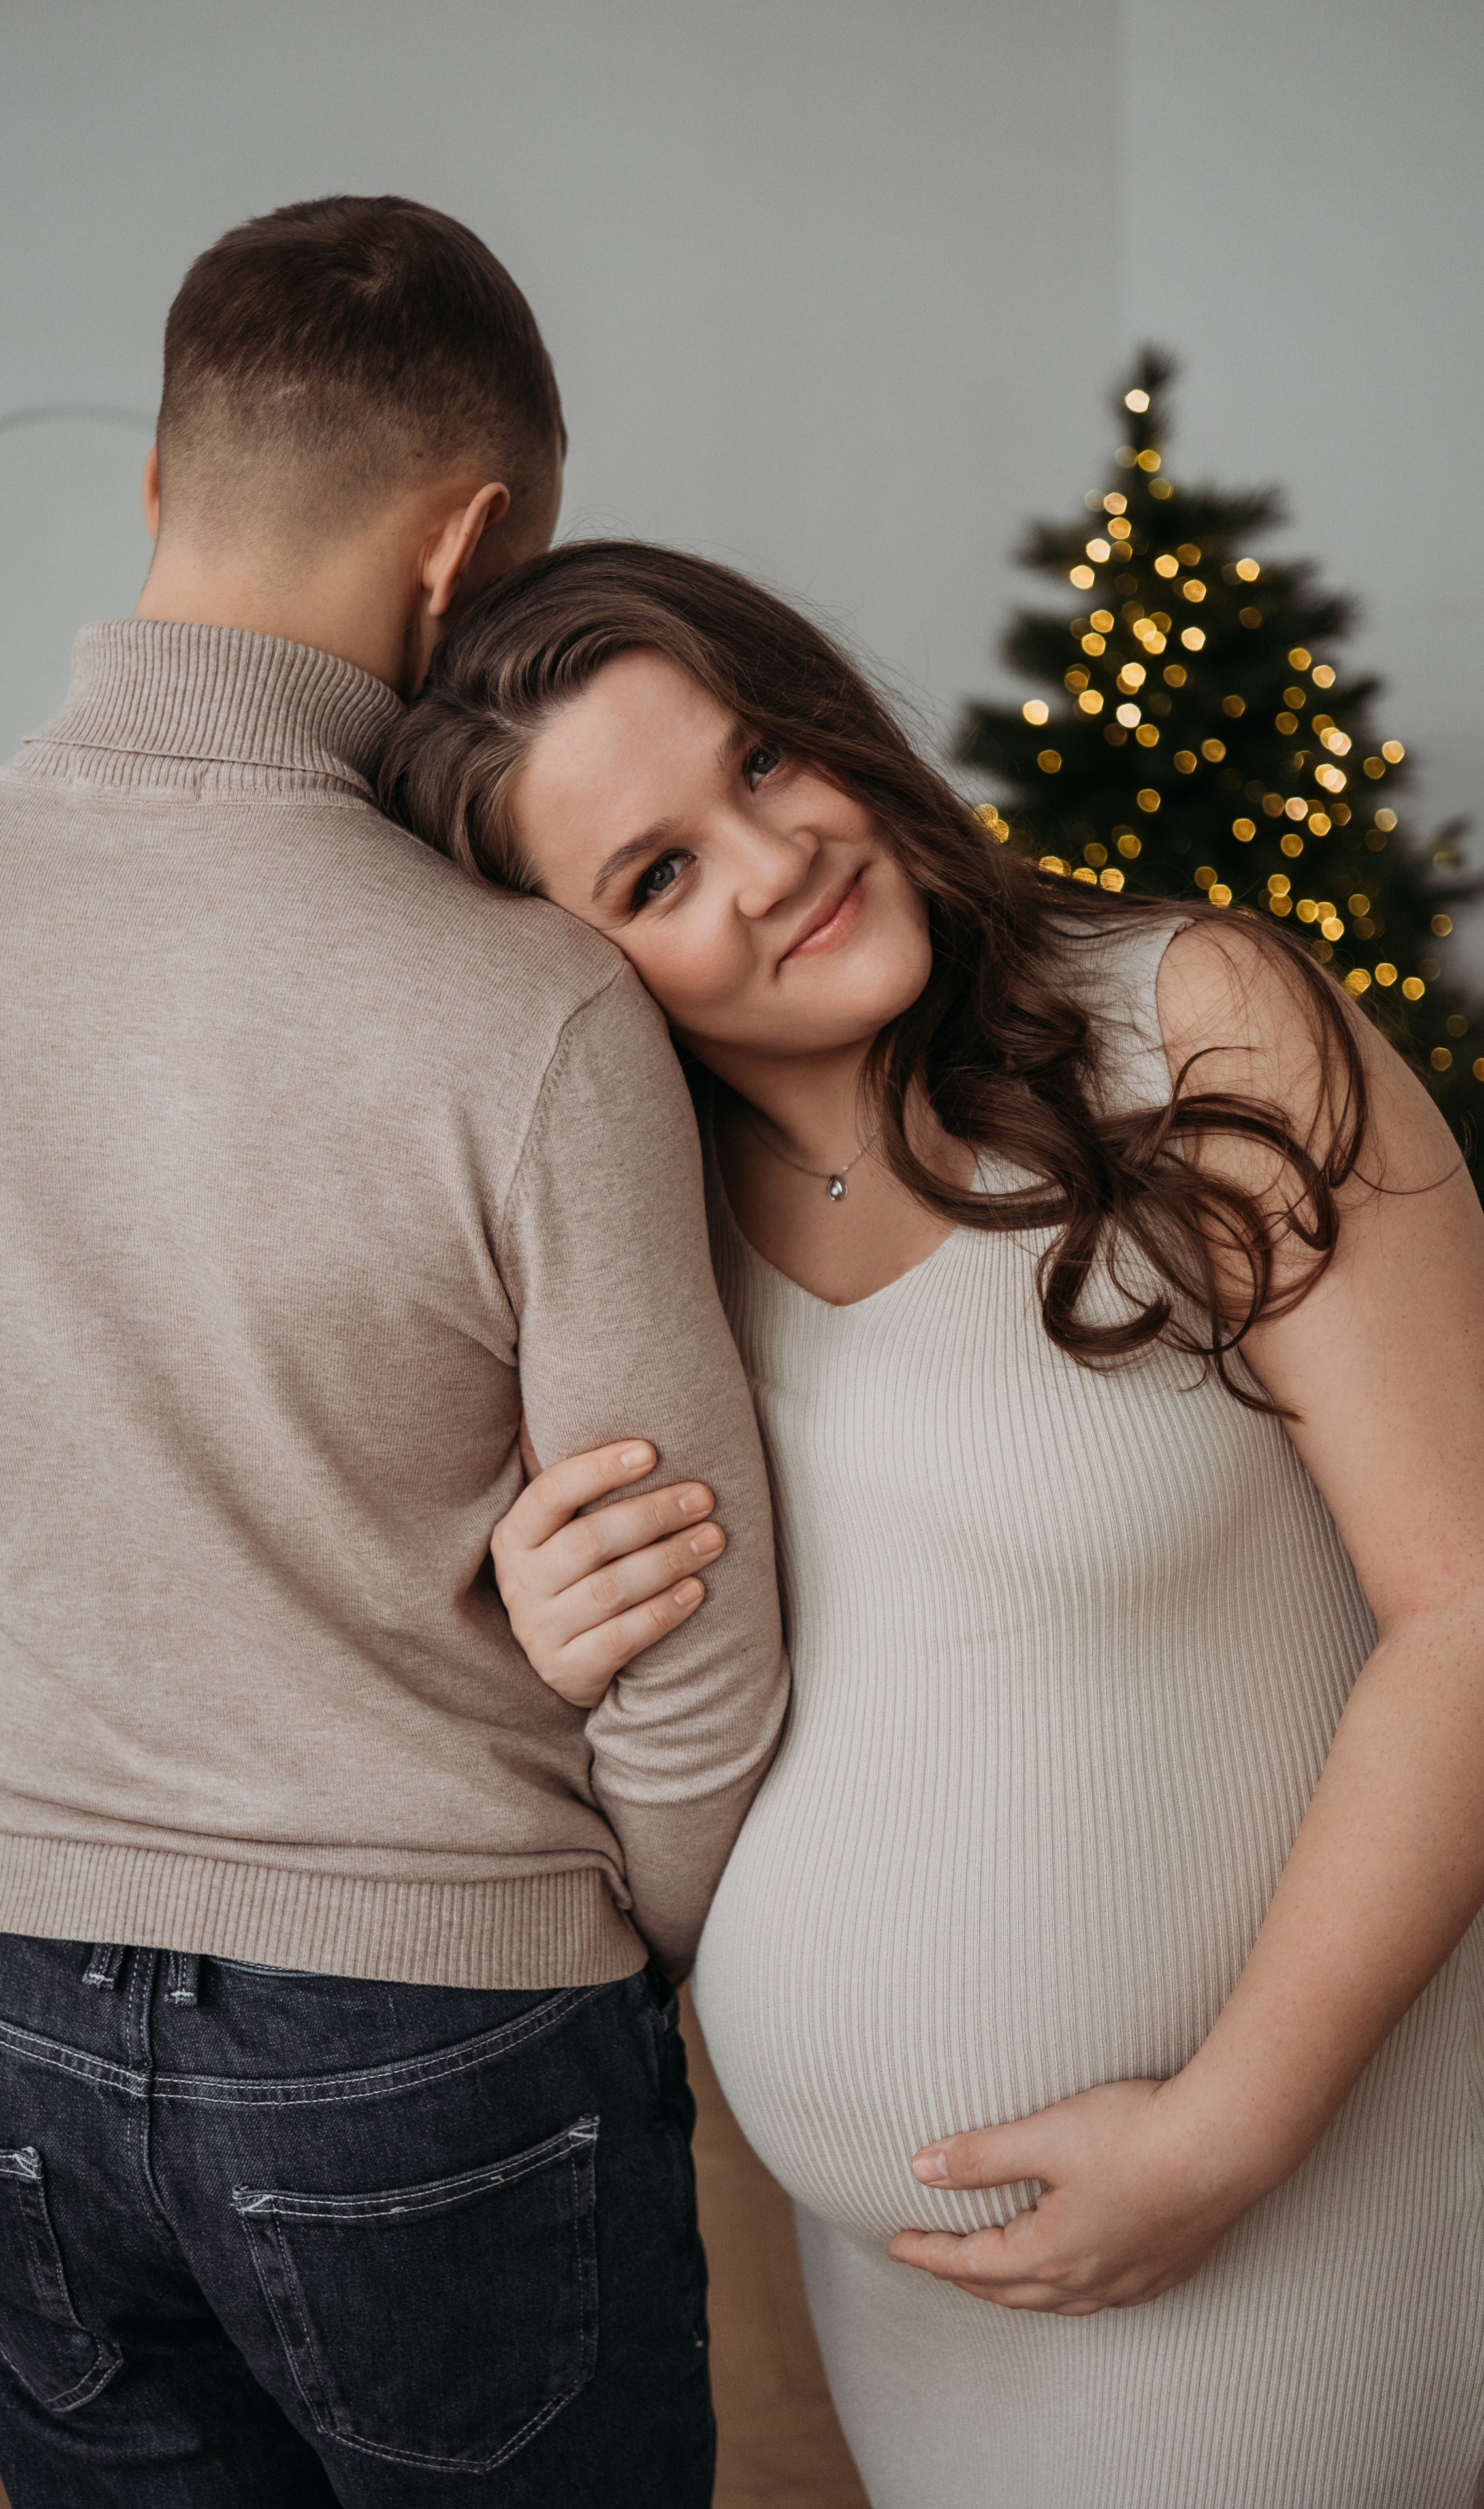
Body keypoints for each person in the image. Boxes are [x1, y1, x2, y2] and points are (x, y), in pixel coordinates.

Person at [0, 212, 788, 2507]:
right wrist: (600, 1933)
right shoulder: (530, 1005)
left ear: (157, 490)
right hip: (450, 2015)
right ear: (472, 550)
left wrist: (42, 1828)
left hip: (21, 2011)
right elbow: (689, 1616)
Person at [376, 539, 1484, 2509]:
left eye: (764, 763)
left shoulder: (1195, 1020)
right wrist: (542, 1628)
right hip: (911, 2302)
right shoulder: (632, 1240)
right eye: (656, 876)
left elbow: (1472, 1604)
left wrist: (1224, 2136)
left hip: (1297, 2196)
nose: (772, 860)